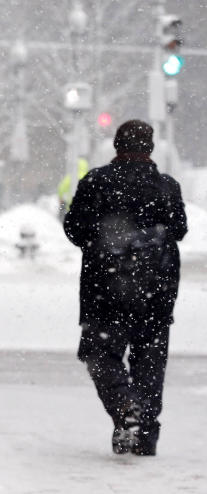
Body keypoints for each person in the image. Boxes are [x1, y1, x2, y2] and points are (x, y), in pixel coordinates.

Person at [64, 119, 186, 457]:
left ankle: (124, 407)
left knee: (100, 354)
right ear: (150, 148)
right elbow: (179, 229)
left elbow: (75, 230)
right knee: (149, 359)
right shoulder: (166, 187)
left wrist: (106, 242)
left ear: (117, 146)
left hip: (105, 290)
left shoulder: (97, 182)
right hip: (157, 291)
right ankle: (144, 433)